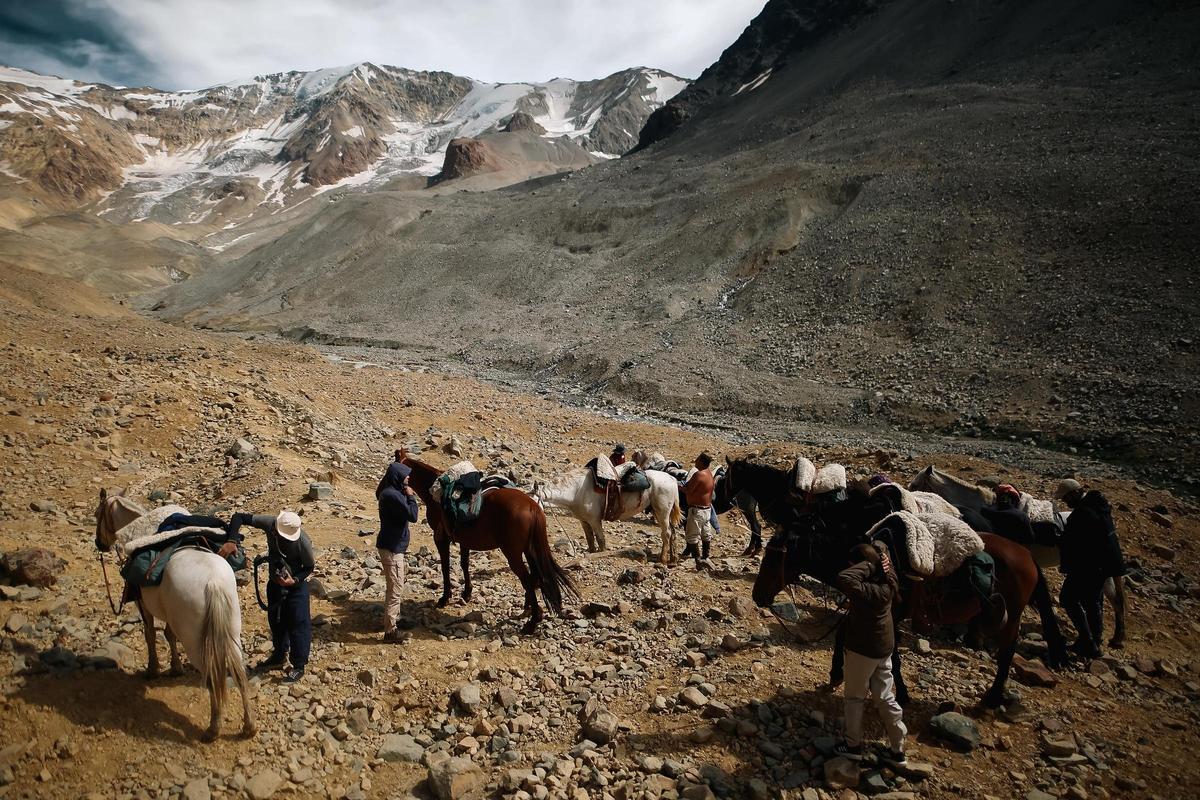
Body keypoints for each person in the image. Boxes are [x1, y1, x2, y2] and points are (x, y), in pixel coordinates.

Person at [835, 542, 907, 764]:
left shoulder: (869, 590)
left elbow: (844, 577)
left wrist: (869, 565)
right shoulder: (890, 582)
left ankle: (852, 744)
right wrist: (879, 559)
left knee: (854, 697)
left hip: (861, 649)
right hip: (884, 648)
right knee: (885, 696)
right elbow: (882, 546)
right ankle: (898, 749)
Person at [229, 509, 315, 682]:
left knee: (299, 623)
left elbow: (309, 567)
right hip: (275, 584)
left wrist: (295, 580)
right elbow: (238, 517)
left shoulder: (303, 542)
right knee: (276, 620)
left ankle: (299, 665)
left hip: (296, 587)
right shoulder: (269, 522)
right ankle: (279, 654)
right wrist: (232, 540)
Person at [1054, 478, 1124, 659]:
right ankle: (1095, 639)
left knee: (1068, 599)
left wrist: (1059, 539)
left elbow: (1073, 541)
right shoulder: (1098, 506)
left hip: (1088, 566)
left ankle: (1088, 641)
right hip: (1103, 565)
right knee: (1093, 602)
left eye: (1067, 498)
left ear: (1075, 493)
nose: (1066, 503)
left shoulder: (1083, 514)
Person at [377, 460, 420, 640]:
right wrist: (410, 496)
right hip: (393, 548)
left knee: (395, 586)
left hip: (391, 545)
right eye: (405, 476)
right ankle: (390, 630)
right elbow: (413, 515)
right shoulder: (393, 496)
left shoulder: (388, 492)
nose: (408, 478)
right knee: (395, 589)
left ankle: (395, 618)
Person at [680, 453, 716, 565]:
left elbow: (689, 490)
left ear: (701, 462)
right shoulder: (709, 474)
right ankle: (706, 556)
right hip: (707, 510)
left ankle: (697, 560)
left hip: (696, 510)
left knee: (692, 536)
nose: (695, 461)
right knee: (706, 534)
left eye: (697, 460)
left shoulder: (698, 475)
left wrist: (677, 486)